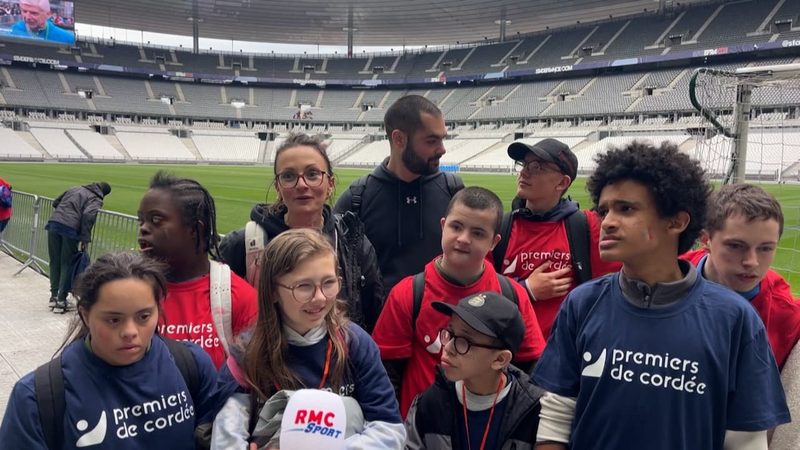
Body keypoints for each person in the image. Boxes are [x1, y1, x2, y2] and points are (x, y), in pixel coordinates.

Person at [532, 142, 790, 450]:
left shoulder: (735, 319)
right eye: (604, 210)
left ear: (677, 221)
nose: (608, 222)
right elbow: (556, 418)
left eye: (626, 209)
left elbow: (745, 442)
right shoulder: (583, 303)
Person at [0, 252, 219, 449]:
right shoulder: (37, 397)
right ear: (85, 315)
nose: (130, 331)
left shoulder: (192, 364)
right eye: (113, 320)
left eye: (144, 317)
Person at [212, 228, 406, 448]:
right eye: (304, 286)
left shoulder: (355, 343)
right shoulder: (246, 355)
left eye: (329, 283)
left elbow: (390, 429)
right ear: (273, 291)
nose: (320, 297)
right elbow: (226, 440)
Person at [372, 186, 546, 418]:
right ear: (443, 226)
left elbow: (531, 366)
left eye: (477, 233)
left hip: (488, 429)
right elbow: (386, 372)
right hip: (423, 432)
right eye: (456, 227)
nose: (463, 239)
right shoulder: (408, 293)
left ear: (494, 242)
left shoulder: (511, 295)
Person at [219, 133, 384, 333]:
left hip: (340, 359)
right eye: (288, 176)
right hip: (265, 360)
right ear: (278, 186)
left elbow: (373, 312)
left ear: (330, 184)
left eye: (313, 174)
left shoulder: (352, 241)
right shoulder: (243, 245)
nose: (302, 185)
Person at [681, 184, 800, 450]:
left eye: (766, 248)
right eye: (736, 246)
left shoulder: (785, 314)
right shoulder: (667, 280)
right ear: (706, 238)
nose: (751, 262)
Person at [334, 95, 463, 291]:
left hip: (441, 319)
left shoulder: (453, 191)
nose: (442, 149)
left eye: (442, 139)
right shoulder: (356, 199)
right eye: (431, 141)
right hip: (380, 320)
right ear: (399, 139)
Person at [492, 138, 620, 337]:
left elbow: (632, 271)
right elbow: (475, 287)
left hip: (562, 356)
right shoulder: (500, 226)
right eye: (524, 164)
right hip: (506, 354)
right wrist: (526, 289)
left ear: (562, 182)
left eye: (537, 167)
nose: (524, 172)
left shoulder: (587, 226)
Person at [138, 171, 257, 369]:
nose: (143, 228)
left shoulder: (238, 296)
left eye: (156, 220)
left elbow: (254, 378)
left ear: (195, 230)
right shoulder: (131, 291)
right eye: (141, 220)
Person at [405, 291, 544, 449]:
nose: (448, 348)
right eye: (449, 334)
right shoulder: (430, 403)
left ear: (500, 359)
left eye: (465, 341)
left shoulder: (534, 412)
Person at [46, 181, 111, 311]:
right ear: (103, 193)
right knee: (67, 263)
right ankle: (61, 300)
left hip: (54, 224)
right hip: (70, 229)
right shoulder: (95, 199)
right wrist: (85, 238)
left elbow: (55, 202)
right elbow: (88, 215)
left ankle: (53, 296)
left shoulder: (74, 188)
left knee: (54, 261)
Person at [9, 0, 74, 44]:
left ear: (48, 14)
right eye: (24, 11)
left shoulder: (68, 38)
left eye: (34, 13)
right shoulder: (14, 29)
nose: (27, 17)